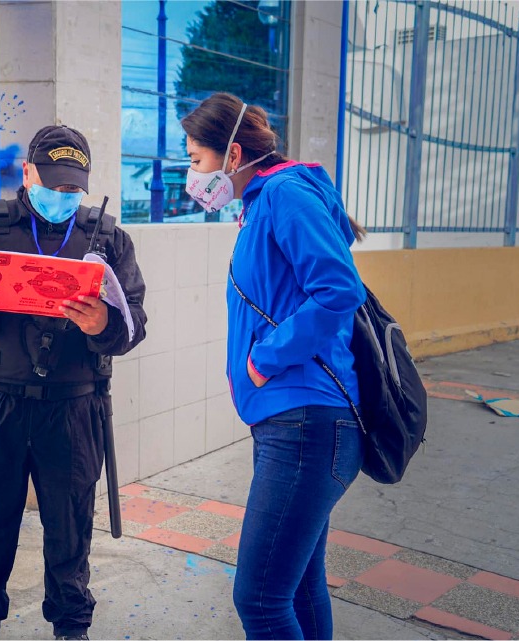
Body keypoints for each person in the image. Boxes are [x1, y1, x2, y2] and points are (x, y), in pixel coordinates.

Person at [0, 125, 147, 641]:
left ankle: (72, 630)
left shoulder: (108, 238)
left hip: (73, 409)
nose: (63, 197)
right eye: (53, 184)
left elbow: (134, 324)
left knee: (70, 535)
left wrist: (104, 325)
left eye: (73, 189)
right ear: (28, 174)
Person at [180, 93, 368, 641]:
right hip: (296, 421)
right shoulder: (263, 201)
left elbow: (338, 292)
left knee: (259, 598)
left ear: (232, 153)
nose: (192, 173)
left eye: (196, 159)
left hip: (307, 421)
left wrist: (262, 360)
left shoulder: (285, 193)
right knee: (299, 586)